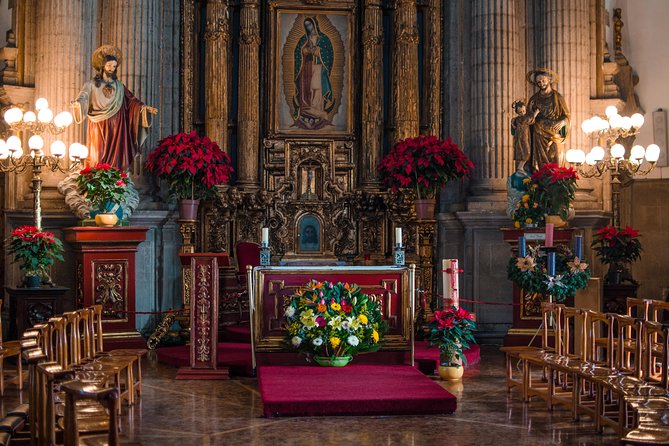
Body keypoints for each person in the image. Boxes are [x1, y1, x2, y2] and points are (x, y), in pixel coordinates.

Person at [72, 45, 157, 169]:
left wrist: (143, 109)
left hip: (117, 124)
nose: (112, 68)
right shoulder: (91, 84)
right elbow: (83, 97)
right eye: (109, 65)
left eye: (114, 66)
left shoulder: (119, 86)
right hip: (98, 124)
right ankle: (98, 177)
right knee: (98, 153)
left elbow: (132, 101)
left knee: (116, 154)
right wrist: (78, 104)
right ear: (102, 66)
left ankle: (115, 177)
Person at [292, 17, 335, 130]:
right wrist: (304, 51)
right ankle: (308, 115)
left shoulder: (324, 39)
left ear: (314, 25)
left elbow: (328, 54)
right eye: (306, 26)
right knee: (307, 92)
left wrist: (317, 51)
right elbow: (298, 52)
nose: (308, 28)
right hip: (306, 70)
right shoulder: (304, 39)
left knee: (318, 92)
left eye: (310, 25)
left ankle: (318, 115)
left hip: (319, 69)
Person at [526, 69, 570, 169]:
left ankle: (557, 180)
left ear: (549, 80)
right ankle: (542, 179)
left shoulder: (558, 97)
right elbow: (528, 118)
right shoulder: (534, 99)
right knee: (541, 161)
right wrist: (530, 111)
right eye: (538, 82)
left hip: (555, 132)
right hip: (539, 132)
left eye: (543, 80)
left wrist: (564, 121)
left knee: (556, 158)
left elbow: (566, 115)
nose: (541, 84)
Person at [511, 100, 538, 173]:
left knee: (526, 153)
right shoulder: (520, 119)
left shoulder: (520, 118)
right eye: (520, 112)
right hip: (522, 139)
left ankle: (521, 167)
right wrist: (536, 113)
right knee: (527, 153)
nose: (522, 113)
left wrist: (530, 107)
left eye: (523, 111)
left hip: (524, 137)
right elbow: (529, 119)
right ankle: (520, 167)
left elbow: (528, 117)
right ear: (517, 113)